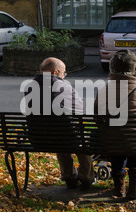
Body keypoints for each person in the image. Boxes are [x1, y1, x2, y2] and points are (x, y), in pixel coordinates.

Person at [94, 49, 136, 200]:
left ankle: (119, 187)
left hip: (111, 142)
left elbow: (97, 117)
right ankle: (135, 186)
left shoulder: (103, 91)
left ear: (112, 69)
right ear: (135, 69)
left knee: (116, 141)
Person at [24, 57, 95, 190]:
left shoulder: (29, 87)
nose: (64, 76)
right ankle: (86, 177)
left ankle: (69, 177)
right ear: (56, 72)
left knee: (60, 135)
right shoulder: (63, 87)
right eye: (64, 73)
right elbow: (82, 110)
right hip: (66, 138)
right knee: (79, 138)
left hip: (38, 139)